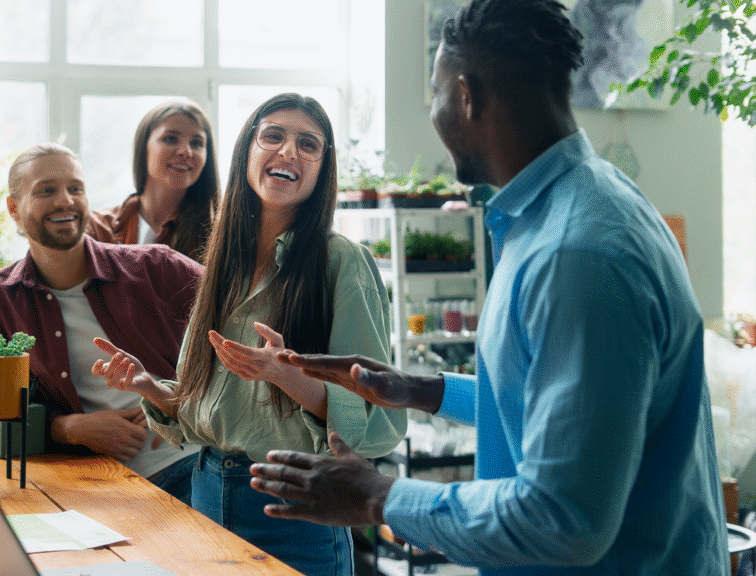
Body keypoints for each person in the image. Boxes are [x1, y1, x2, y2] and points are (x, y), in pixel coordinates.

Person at [250, 2, 730, 575]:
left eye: (434, 94)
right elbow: (562, 406)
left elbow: (565, 519)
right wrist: (420, 390)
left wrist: (379, 495)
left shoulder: (577, 252)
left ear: (466, 95)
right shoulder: (575, 206)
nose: (433, 112)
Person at [91, 93, 407, 576]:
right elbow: (210, 409)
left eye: (309, 144)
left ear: (323, 169)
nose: (288, 152)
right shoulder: (222, 260)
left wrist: (287, 376)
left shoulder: (342, 263)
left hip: (295, 511)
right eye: (273, 136)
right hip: (204, 495)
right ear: (247, 153)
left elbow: (377, 422)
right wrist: (148, 386)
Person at [0, 143, 201, 505]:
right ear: (14, 208)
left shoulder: (158, 266)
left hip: (188, 464)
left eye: (75, 188)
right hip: (88, 479)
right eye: (47, 190)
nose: (66, 201)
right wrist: (67, 429)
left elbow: (239, 334)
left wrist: (171, 395)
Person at [86, 100, 220, 262]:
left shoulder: (220, 237)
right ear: (144, 146)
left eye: (197, 143)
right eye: (170, 139)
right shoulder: (96, 228)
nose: (186, 151)